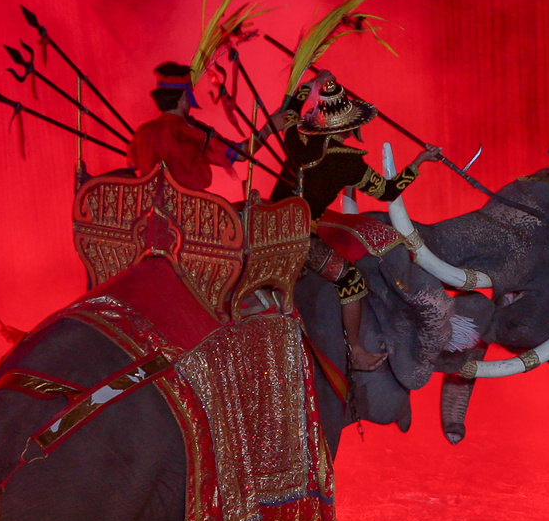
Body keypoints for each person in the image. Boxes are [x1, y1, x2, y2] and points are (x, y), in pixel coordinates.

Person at [271, 72, 437, 371]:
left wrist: (313, 84)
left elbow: (292, 110)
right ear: (351, 127)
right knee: (352, 281)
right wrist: (419, 162)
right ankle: (357, 351)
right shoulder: (347, 162)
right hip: (297, 239)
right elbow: (387, 191)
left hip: (265, 226)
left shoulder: (295, 135)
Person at [129, 62, 237, 191]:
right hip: (189, 207)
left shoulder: (143, 132)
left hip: (152, 207)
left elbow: (132, 164)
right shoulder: (193, 131)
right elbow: (239, 154)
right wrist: (266, 131)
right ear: (184, 97)